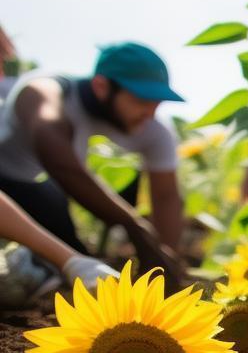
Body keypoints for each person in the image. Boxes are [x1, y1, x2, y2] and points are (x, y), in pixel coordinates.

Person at [0, 42, 187, 285]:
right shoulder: (43, 90)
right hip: (11, 186)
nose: (150, 113)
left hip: (38, 195)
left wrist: (163, 256)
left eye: (157, 103)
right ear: (101, 86)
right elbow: (58, 160)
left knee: (80, 261)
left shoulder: (149, 125)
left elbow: (166, 195)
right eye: (142, 100)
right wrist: (134, 226)